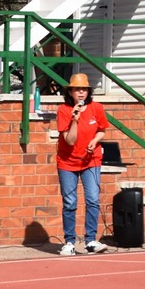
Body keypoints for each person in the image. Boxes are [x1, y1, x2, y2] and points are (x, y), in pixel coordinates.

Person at [53, 72, 110, 256]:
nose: (81, 92)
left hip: (91, 160)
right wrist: (75, 120)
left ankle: (90, 240)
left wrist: (94, 140)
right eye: (77, 89)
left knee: (92, 199)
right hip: (68, 162)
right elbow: (70, 140)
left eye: (84, 89)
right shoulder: (64, 110)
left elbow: (102, 130)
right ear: (70, 92)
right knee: (70, 202)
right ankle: (69, 242)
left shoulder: (97, 108)